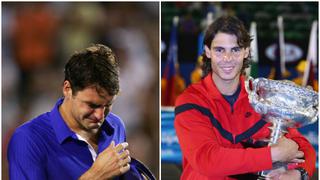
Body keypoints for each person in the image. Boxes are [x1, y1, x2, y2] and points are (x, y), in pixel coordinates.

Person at [174, 16, 316, 180]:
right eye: (219, 50)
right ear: (207, 51)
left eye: (235, 49)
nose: (227, 58)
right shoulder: (191, 100)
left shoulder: (262, 97)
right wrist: (272, 154)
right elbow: (207, 160)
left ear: (246, 52)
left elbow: (302, 146)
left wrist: (299, 173)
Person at [8, 44, 154, 180]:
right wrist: (95, 175)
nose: (100, 116)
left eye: (108, 105)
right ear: (67, 89)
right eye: (91, 105)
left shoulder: (115, 126)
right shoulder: (28, 139)